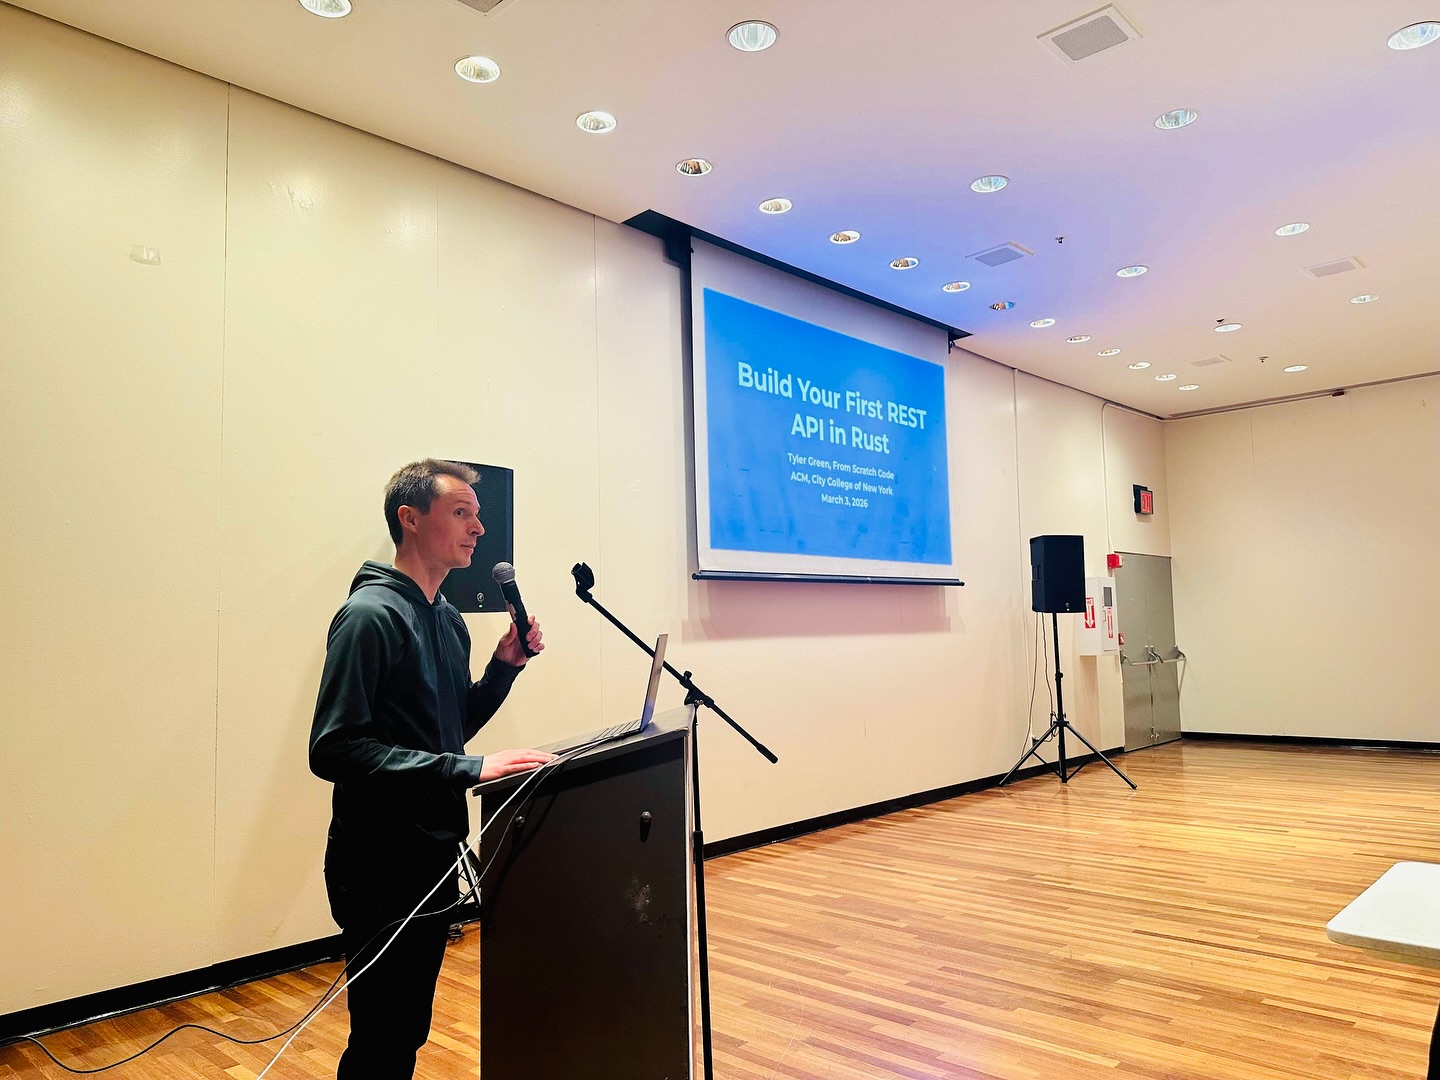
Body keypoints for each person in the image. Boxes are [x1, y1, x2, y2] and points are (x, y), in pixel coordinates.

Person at [309, 458, 555, 1080]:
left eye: (478, 515)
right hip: (379, 862)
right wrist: (467, 769)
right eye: (461, 513)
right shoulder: (371, 617)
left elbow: (447, 730)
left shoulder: (446, 621)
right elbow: (334, 748)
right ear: (410, 519)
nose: (477, 529)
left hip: (432, 854)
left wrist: (503, 669)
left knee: (408, 1028)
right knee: (382, 1036)